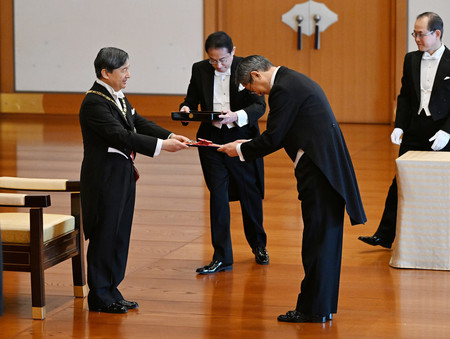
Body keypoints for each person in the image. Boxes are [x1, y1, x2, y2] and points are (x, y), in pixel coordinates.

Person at [218, 55, 366, 323]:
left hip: (319, 172)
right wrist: (246, 142)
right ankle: (321, 307)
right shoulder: (291, 80)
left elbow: (274, 137)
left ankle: (313, 309)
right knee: (324, 241)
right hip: (326, 169)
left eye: (253, 90)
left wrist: (239, 149)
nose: (257, 95)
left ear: (256, 76)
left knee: (317, 242)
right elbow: (281, 132)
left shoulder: (283, 89)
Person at [79, 47, 189, 314]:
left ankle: (112, 290)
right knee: (105, 233)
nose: (129, 75)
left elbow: (138, 122)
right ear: (106, 73)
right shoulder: (94, 102)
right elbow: (121, 136)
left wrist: (171, 135)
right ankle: (100, 295)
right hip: (104, 176)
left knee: (119, 233)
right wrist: (162, 146)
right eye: (124, 70)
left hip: (122, 172)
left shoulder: (116, 96)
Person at [358, 12, 450, 249]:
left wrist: (448, 131)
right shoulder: (411, 59)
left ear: (437, 33)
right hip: (415, 129)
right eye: (414, 34)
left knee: (441, 185)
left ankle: (439, 238)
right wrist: (399, 125)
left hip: (442, 132)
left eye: (421, 34)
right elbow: (406, 97)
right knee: (401, 181)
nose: (416, 38)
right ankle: (384, 235)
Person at [179, 31, 269, 274]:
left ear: (233, 51)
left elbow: (259, 105)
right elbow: (192, 98)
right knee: (217, 196)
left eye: (223, 60)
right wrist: (186, 107)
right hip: (211, 139)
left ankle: (258, 245)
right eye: (213, 60)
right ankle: (221, 256)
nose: (218, 65)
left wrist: (235, 116)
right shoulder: (200, 69)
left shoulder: (245, 68)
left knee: (249, 193)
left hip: (241, 137)